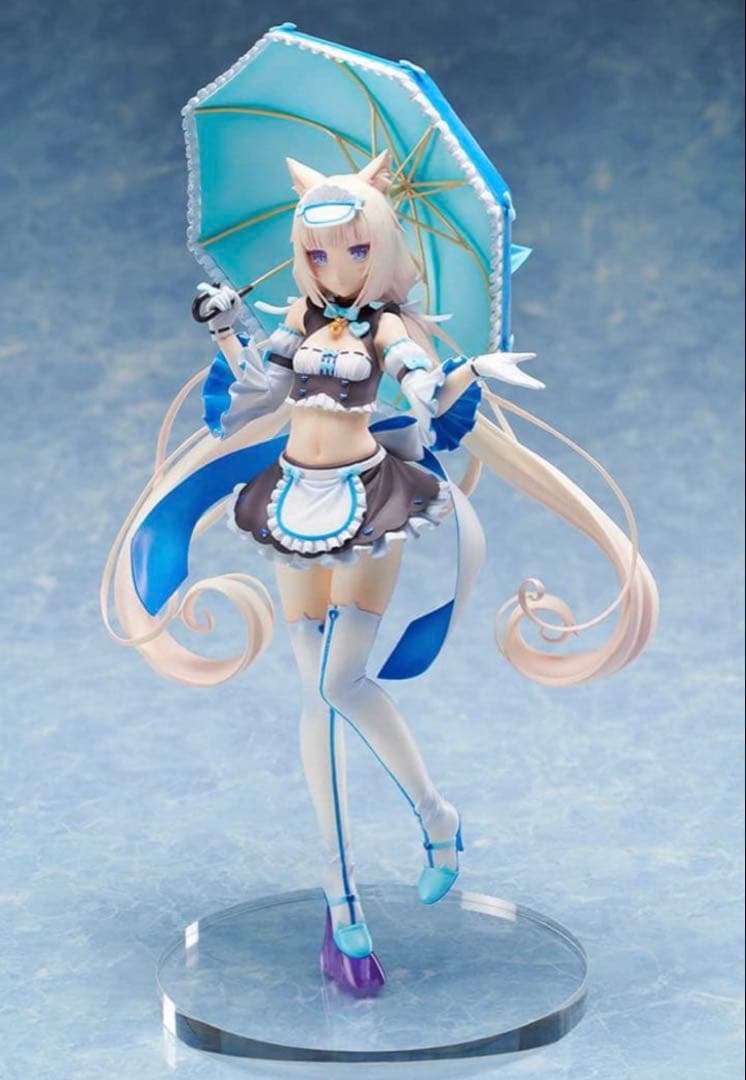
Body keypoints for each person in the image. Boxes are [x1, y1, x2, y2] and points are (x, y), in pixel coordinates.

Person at [102, 149, 658, 995]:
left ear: (385, 246)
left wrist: (459, 375)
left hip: (369, 503)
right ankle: (343, 903)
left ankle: (435, 816)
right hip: (291, 500)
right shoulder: (299, 318)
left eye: (357, 249)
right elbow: (254, 397)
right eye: (319, 251)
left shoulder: (385, 326)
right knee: (317, 696)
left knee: (338, 683)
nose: (336, 265)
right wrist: (224, 330)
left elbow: (418, 384)